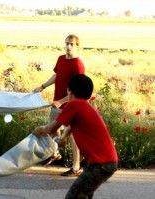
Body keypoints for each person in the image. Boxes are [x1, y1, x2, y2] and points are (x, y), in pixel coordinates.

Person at [34, 74, 118, 198]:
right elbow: (69, 128)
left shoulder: (74, 105)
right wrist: (62, 138)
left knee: (74, 195)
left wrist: (38, 130)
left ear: (69, 91)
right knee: (83, 194)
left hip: (101, 163)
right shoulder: (84, 106)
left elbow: (51, 128)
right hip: (104, 162)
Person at [33, 34, 85, 176]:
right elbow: (57, 76)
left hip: (71, 106)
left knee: (72, 135)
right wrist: (42, 86)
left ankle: (76, 167)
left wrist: (61, 102)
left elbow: (77, 90)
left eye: (71, 44)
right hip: (57, 103)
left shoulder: (78, 65)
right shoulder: (61, 59)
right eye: (67, 43)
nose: (68, 46)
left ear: (77, 46)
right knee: (52, 129)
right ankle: (55, 154)